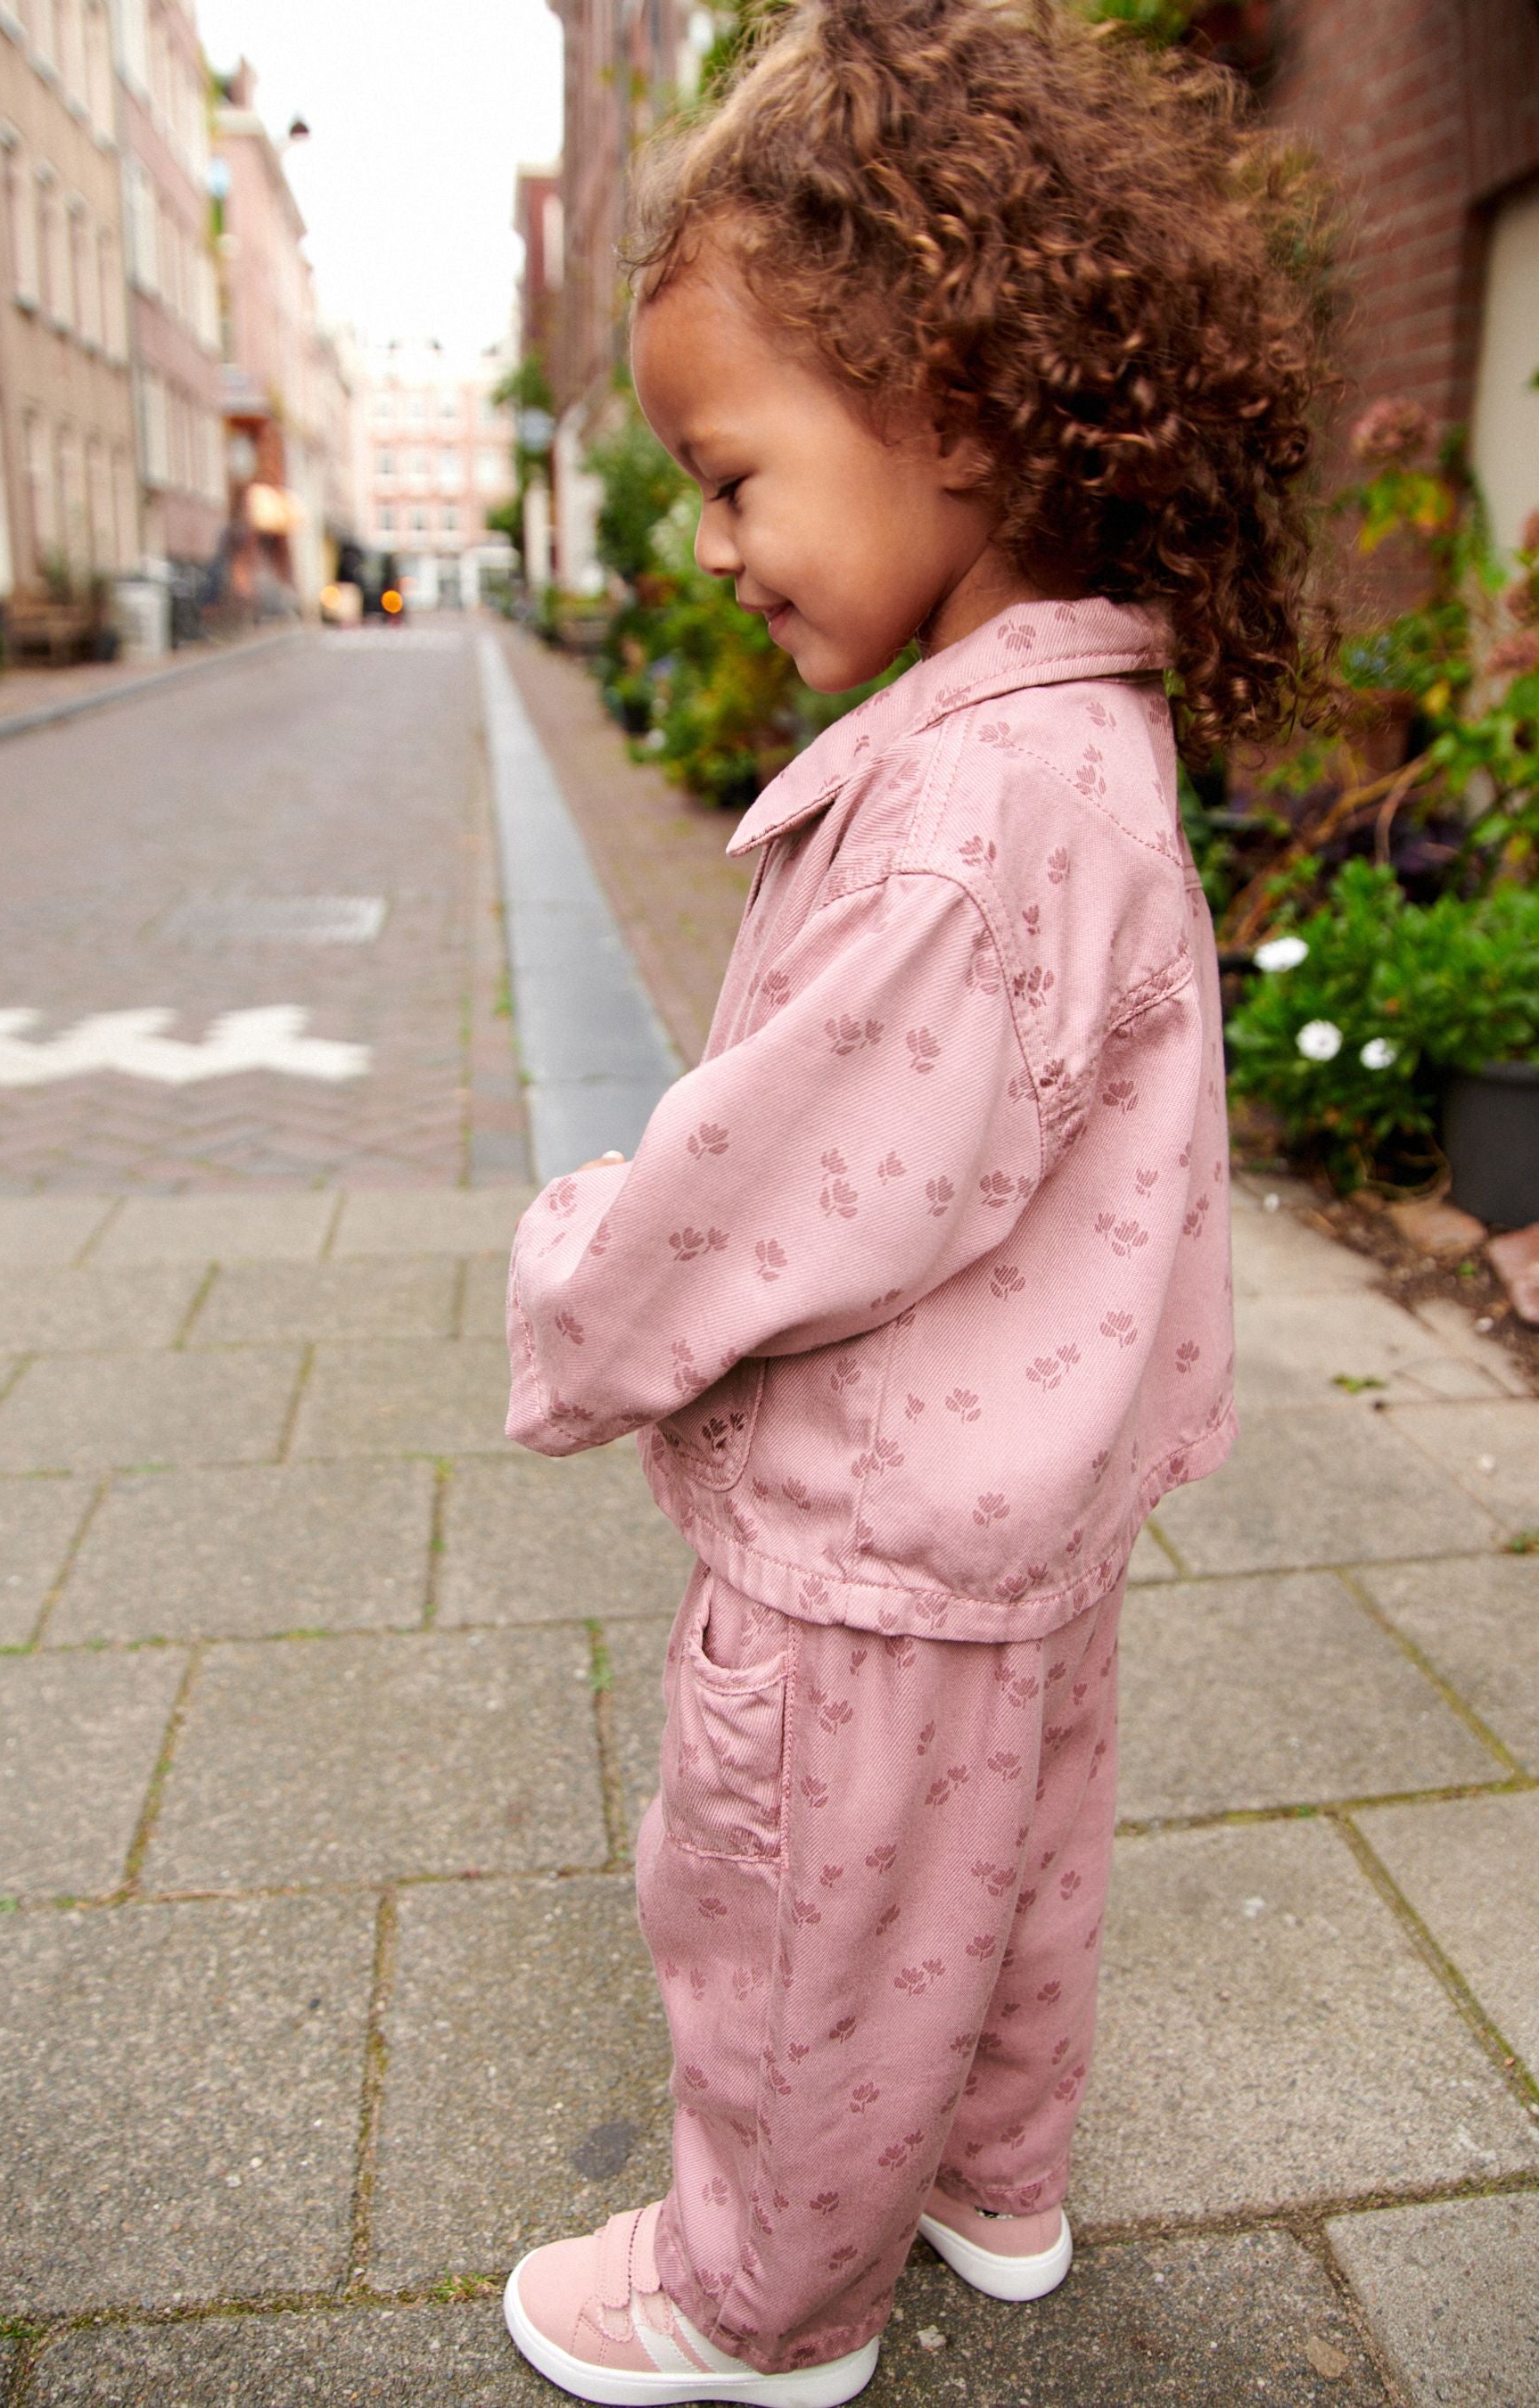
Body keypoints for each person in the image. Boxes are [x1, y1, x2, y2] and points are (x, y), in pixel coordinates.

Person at [500, 2, 1339, 2397]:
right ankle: (992, 2179)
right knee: (1010, 1871)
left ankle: (757, 2297)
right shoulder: (1084, 737)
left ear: (954, 412)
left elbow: (770, 1191)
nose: (717, 538)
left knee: (801, 1923)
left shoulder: (969, 819)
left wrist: (578, 1265)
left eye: (738, 473)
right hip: (1026, 1507)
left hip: (876, 1535)